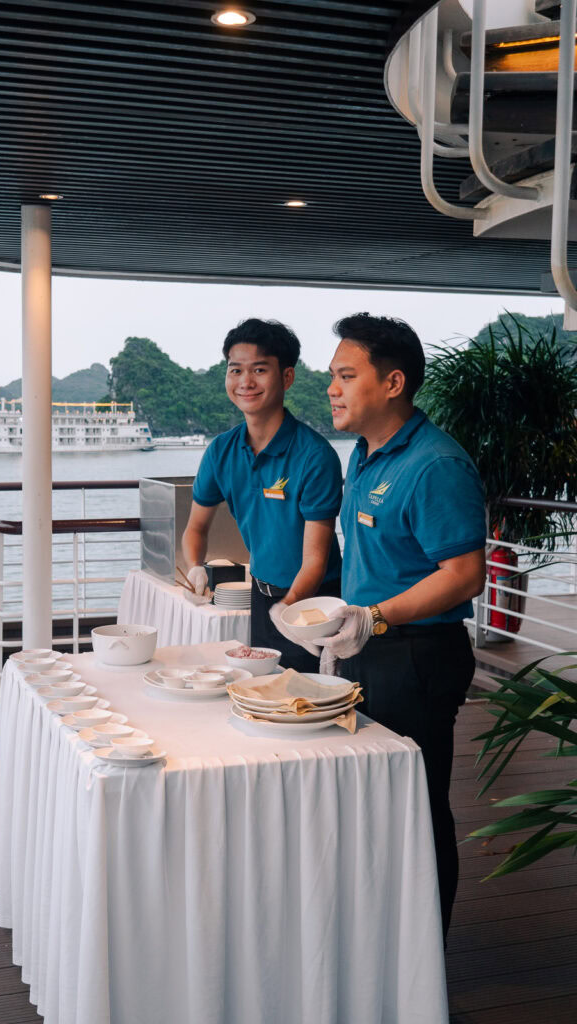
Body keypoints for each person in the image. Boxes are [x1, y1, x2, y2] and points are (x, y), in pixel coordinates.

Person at [315, 312, 486, 940]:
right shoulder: (364, 454)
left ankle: (422, 963)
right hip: (368, 647)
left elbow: (464, 575)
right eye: (332, 375)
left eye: (345, 375)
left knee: (414, 806)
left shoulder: (435, 464)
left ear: (392, 383)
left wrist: (374, 617)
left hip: (418, 655)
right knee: (371, 802)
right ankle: (380, 947)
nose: (331, 387)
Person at [181, 318, 343, 672]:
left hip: (313, 601)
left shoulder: (314, 456)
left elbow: (315, 559)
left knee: (312, 704)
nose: (245, 382)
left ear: (287, 377)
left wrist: (289, 607)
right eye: (235, 370)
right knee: (265, 693)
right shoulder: (221, 451)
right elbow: (195, 529)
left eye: (259, 370)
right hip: (261, 595)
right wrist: (195, 567)